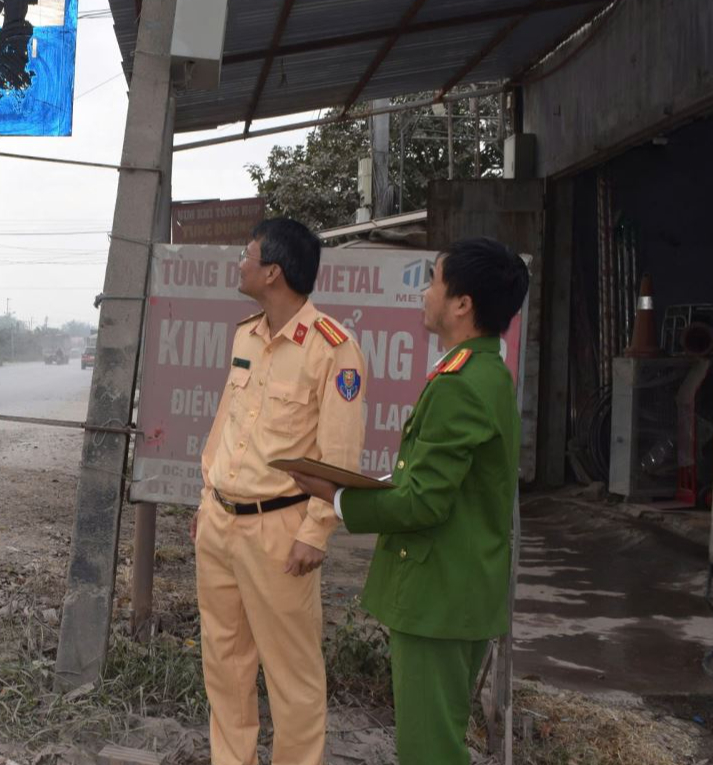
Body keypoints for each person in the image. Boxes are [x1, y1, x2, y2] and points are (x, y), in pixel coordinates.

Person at [290, 238, 530, 765]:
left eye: (434, 282)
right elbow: (437, 480)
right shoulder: (484, 373)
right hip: (457, 589)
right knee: (438, 743)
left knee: (430, 752)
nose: (425, 294)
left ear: (462, 303)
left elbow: (423, 502)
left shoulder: (461, 383)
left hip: (438, 595)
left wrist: (338, 498)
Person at [193, 217, 367, 765]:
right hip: (221, 523)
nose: (239, 264)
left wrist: (316, 532)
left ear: (272, 272)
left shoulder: (333, 350)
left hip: (280, 530)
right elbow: (227, 424)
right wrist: (207, 498)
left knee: (293, 677)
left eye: (247, 256)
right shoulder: (246, 334)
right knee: (224, 664)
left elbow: (339, 457)